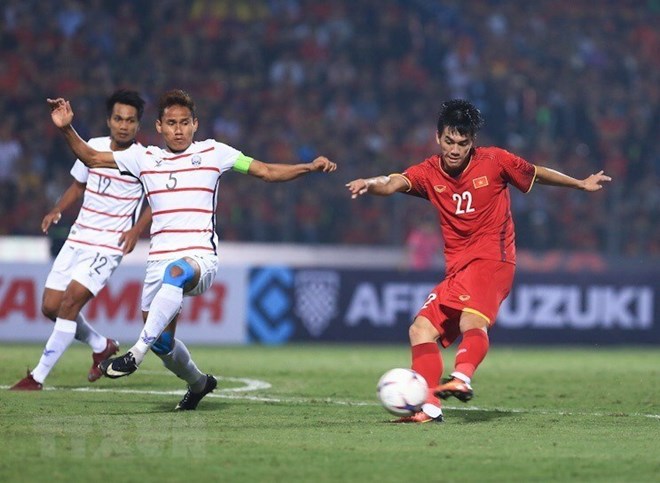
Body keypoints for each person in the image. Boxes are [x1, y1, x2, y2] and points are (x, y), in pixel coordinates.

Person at [47, 89, 337, 410]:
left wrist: (308, 167)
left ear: (195, 124)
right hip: (158, 262)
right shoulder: (143, 158)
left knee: (176, 274)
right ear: (158, 126)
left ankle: (134, 354)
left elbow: (266, 171)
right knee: (164, 344)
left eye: (185, 123)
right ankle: (199, 383)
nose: (178, 130)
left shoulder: (214, 153)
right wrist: (65, 128)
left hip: (199, 259)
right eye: (171, 123)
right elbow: (90, 157)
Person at [346, 99, 611, 423]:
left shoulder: (496, 161)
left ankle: (463, 377)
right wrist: (368, 183)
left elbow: (537, 173)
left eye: (463, 143)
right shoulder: (428, 172)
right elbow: (391, 182)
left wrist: (580, 183)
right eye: (449, 141)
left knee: (472, 321)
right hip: (458, 268)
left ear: (473, 142)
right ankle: (429, 407)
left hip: (493, 260)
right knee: (420, 330)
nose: (455, 150)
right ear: (437, 138)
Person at [11, 89, 152, 390]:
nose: (124, 125)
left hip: (108, 245)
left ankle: (37, 377)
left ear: (138, 126)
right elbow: (78, 185)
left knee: (70, 302)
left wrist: (136, 229)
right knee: (50, 307)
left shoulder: (142, 158)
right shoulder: (95, 145)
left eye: (130, 120)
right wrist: (57, 210)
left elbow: (157, 201)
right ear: (109, 120)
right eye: (118, 118)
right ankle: (101, 344)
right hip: (78, 237)